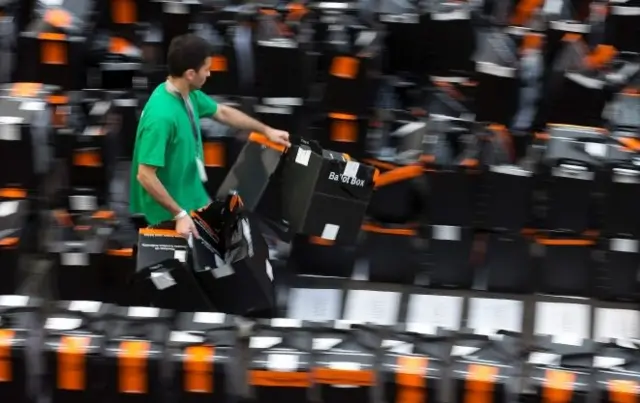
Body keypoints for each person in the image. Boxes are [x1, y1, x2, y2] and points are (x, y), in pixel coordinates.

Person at [130, 34, 291, 238]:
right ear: (190, 73)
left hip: (193, 196)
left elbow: (222, 112)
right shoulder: (161, 116)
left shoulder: (188, 94)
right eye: (206, 69)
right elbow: (145, 176)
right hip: (169, 213)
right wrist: (178, 215)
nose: (209, 74)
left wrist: (266, 130)